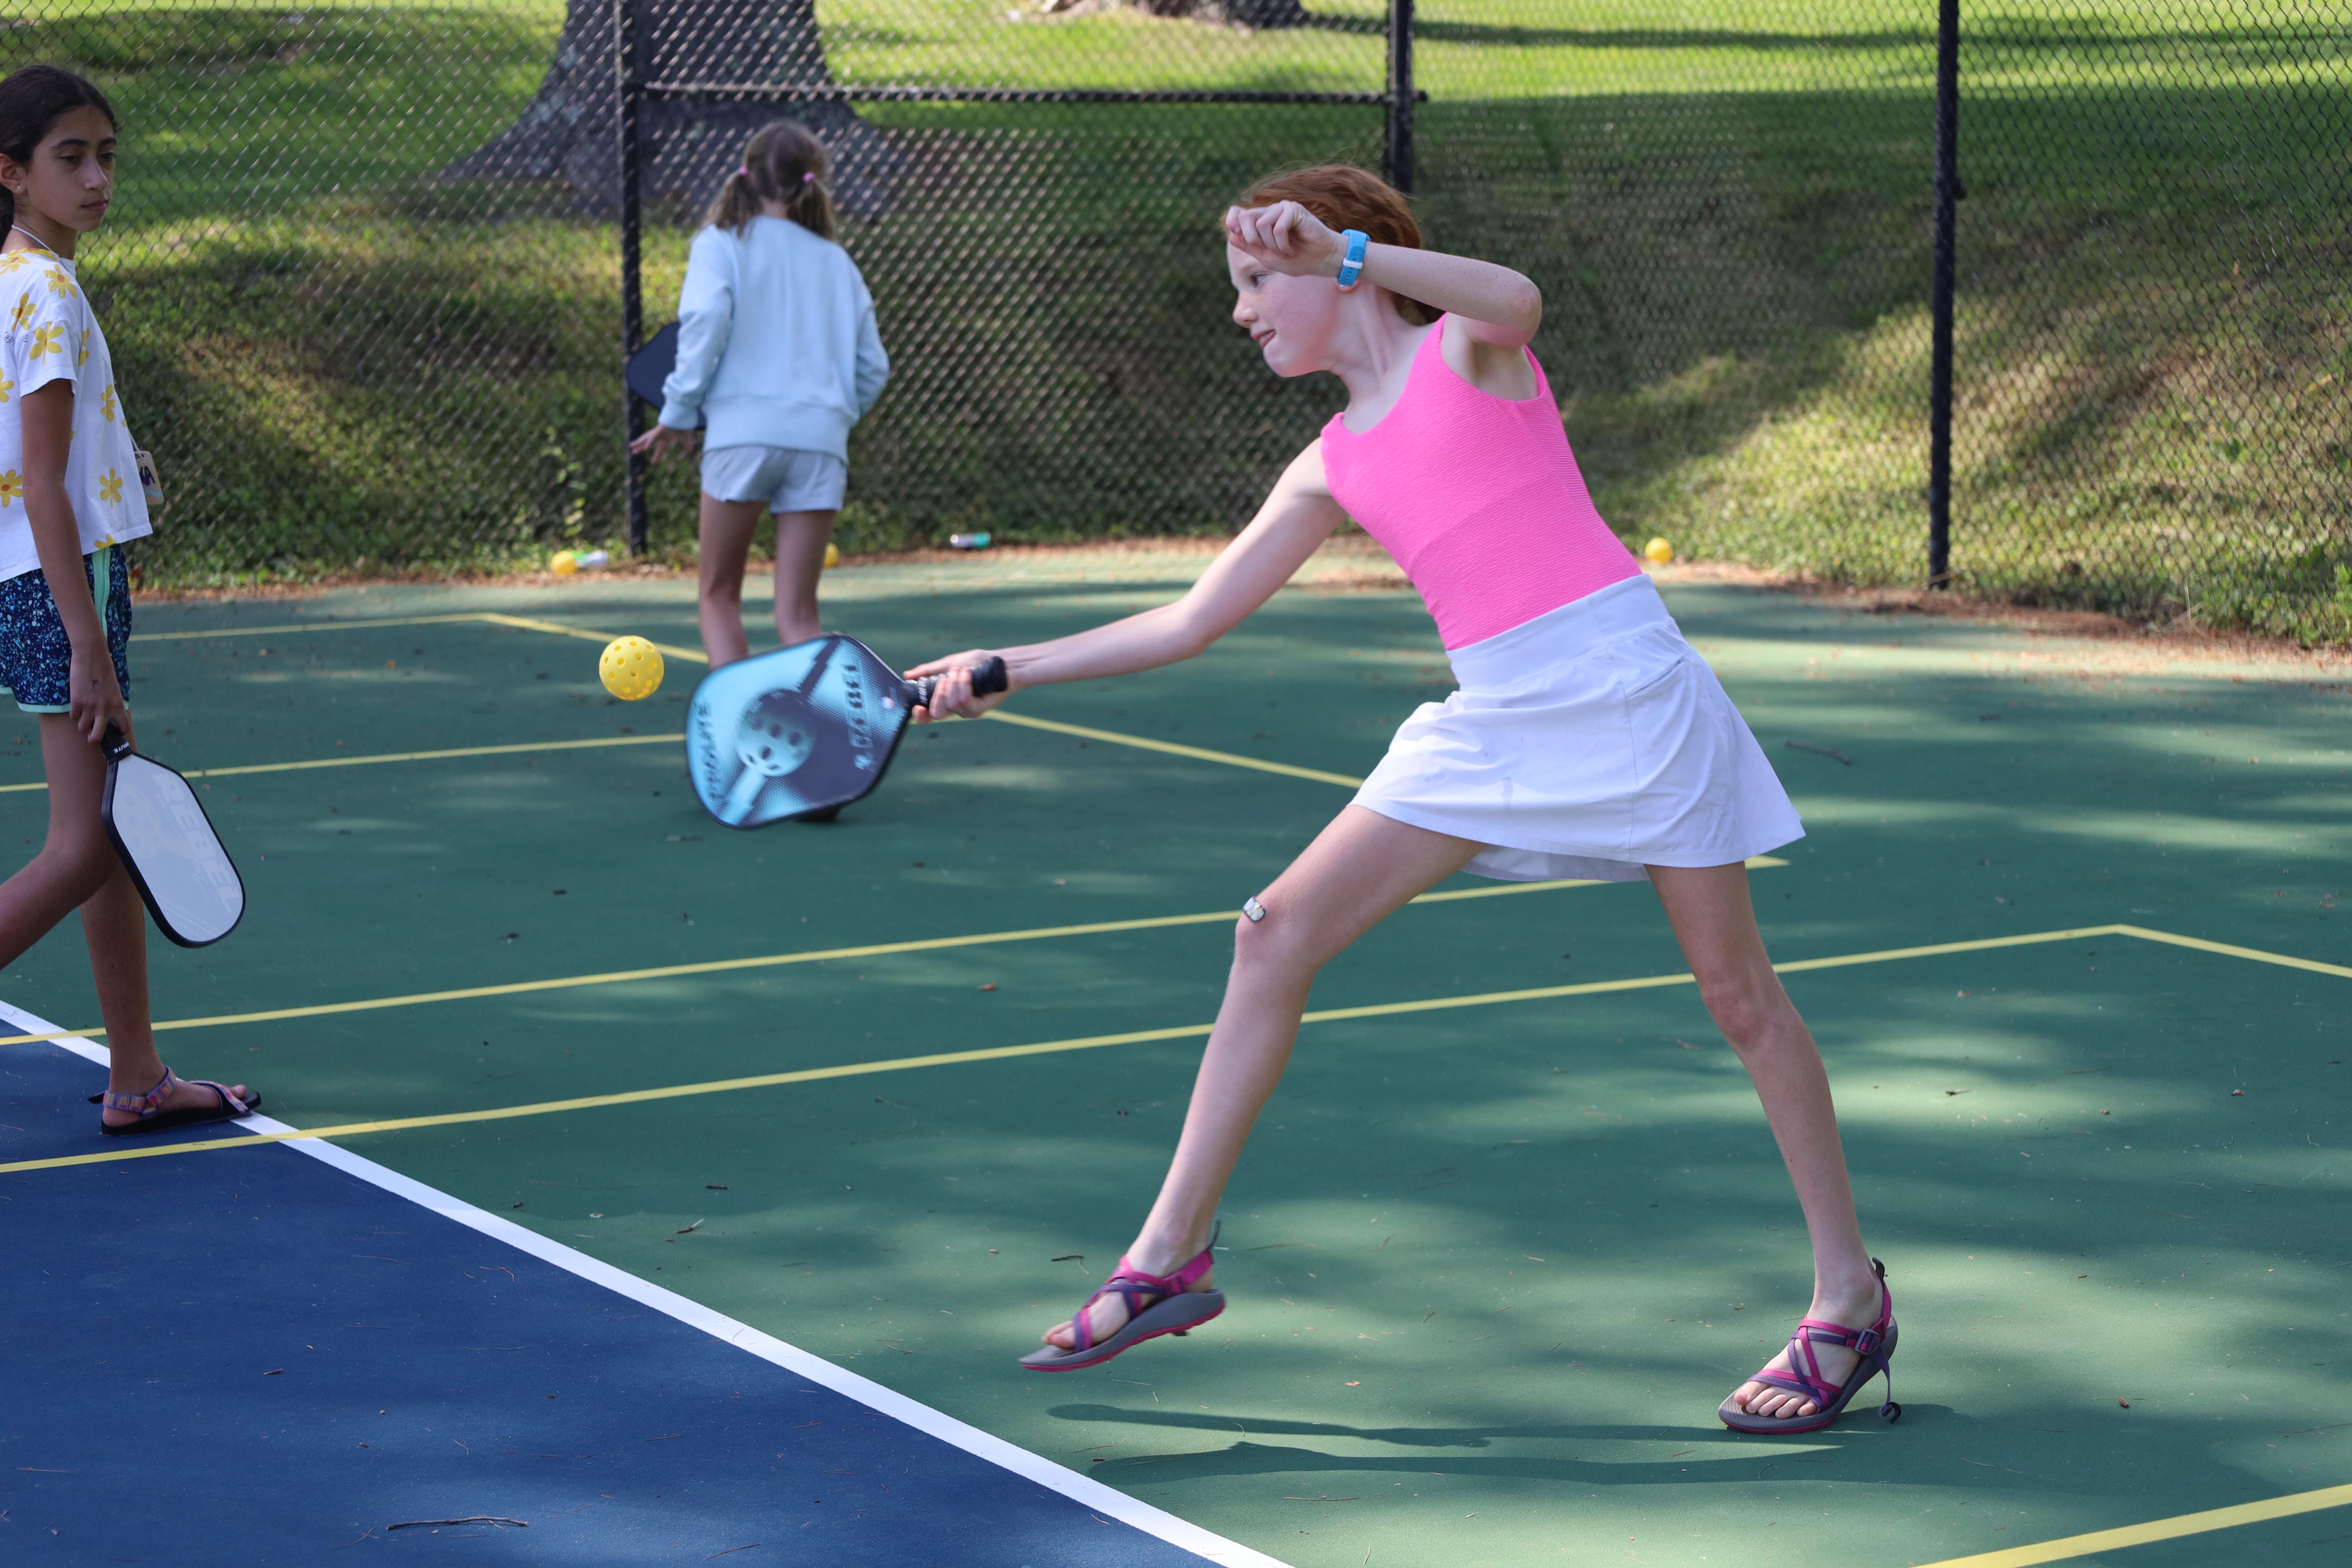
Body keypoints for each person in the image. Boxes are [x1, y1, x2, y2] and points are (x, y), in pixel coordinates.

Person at [909, 165, 1897, 1435]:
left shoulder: (1468, 357)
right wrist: (1005, 668)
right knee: (1272, 931)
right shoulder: (1328, 465)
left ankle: (1848, 1299)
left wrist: (1347, 253)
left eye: (1258, 280)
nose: (1241, 310)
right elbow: (1192, 620)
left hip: (1627, 689)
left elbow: (1517, 296)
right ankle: (1167, 1258)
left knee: (1739, 998)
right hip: (1495, 721)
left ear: (1338, 262)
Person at [0, 65, 257, 1136]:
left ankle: (138, 1076)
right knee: (85, 844)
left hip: (29, 578)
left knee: (109, 826)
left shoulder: (16, 276)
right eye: (71, 157)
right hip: (63, 583)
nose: (99, 178)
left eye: (107, 156)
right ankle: (139, 1077)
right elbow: (45, 485)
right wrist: (87, 642)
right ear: (12, 172)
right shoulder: (48, 292)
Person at [631, 119, 890, 668]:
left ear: (747, 175)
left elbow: (706, 324)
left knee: (718, 594)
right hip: (821, 443)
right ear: (810, 183)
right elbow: (873, 368)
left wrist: (678, 412)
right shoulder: (838, 262)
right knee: (800, 616)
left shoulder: (719, 244)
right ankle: (830, 721)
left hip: (742, 438)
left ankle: (740, 720)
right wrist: (830, 417)